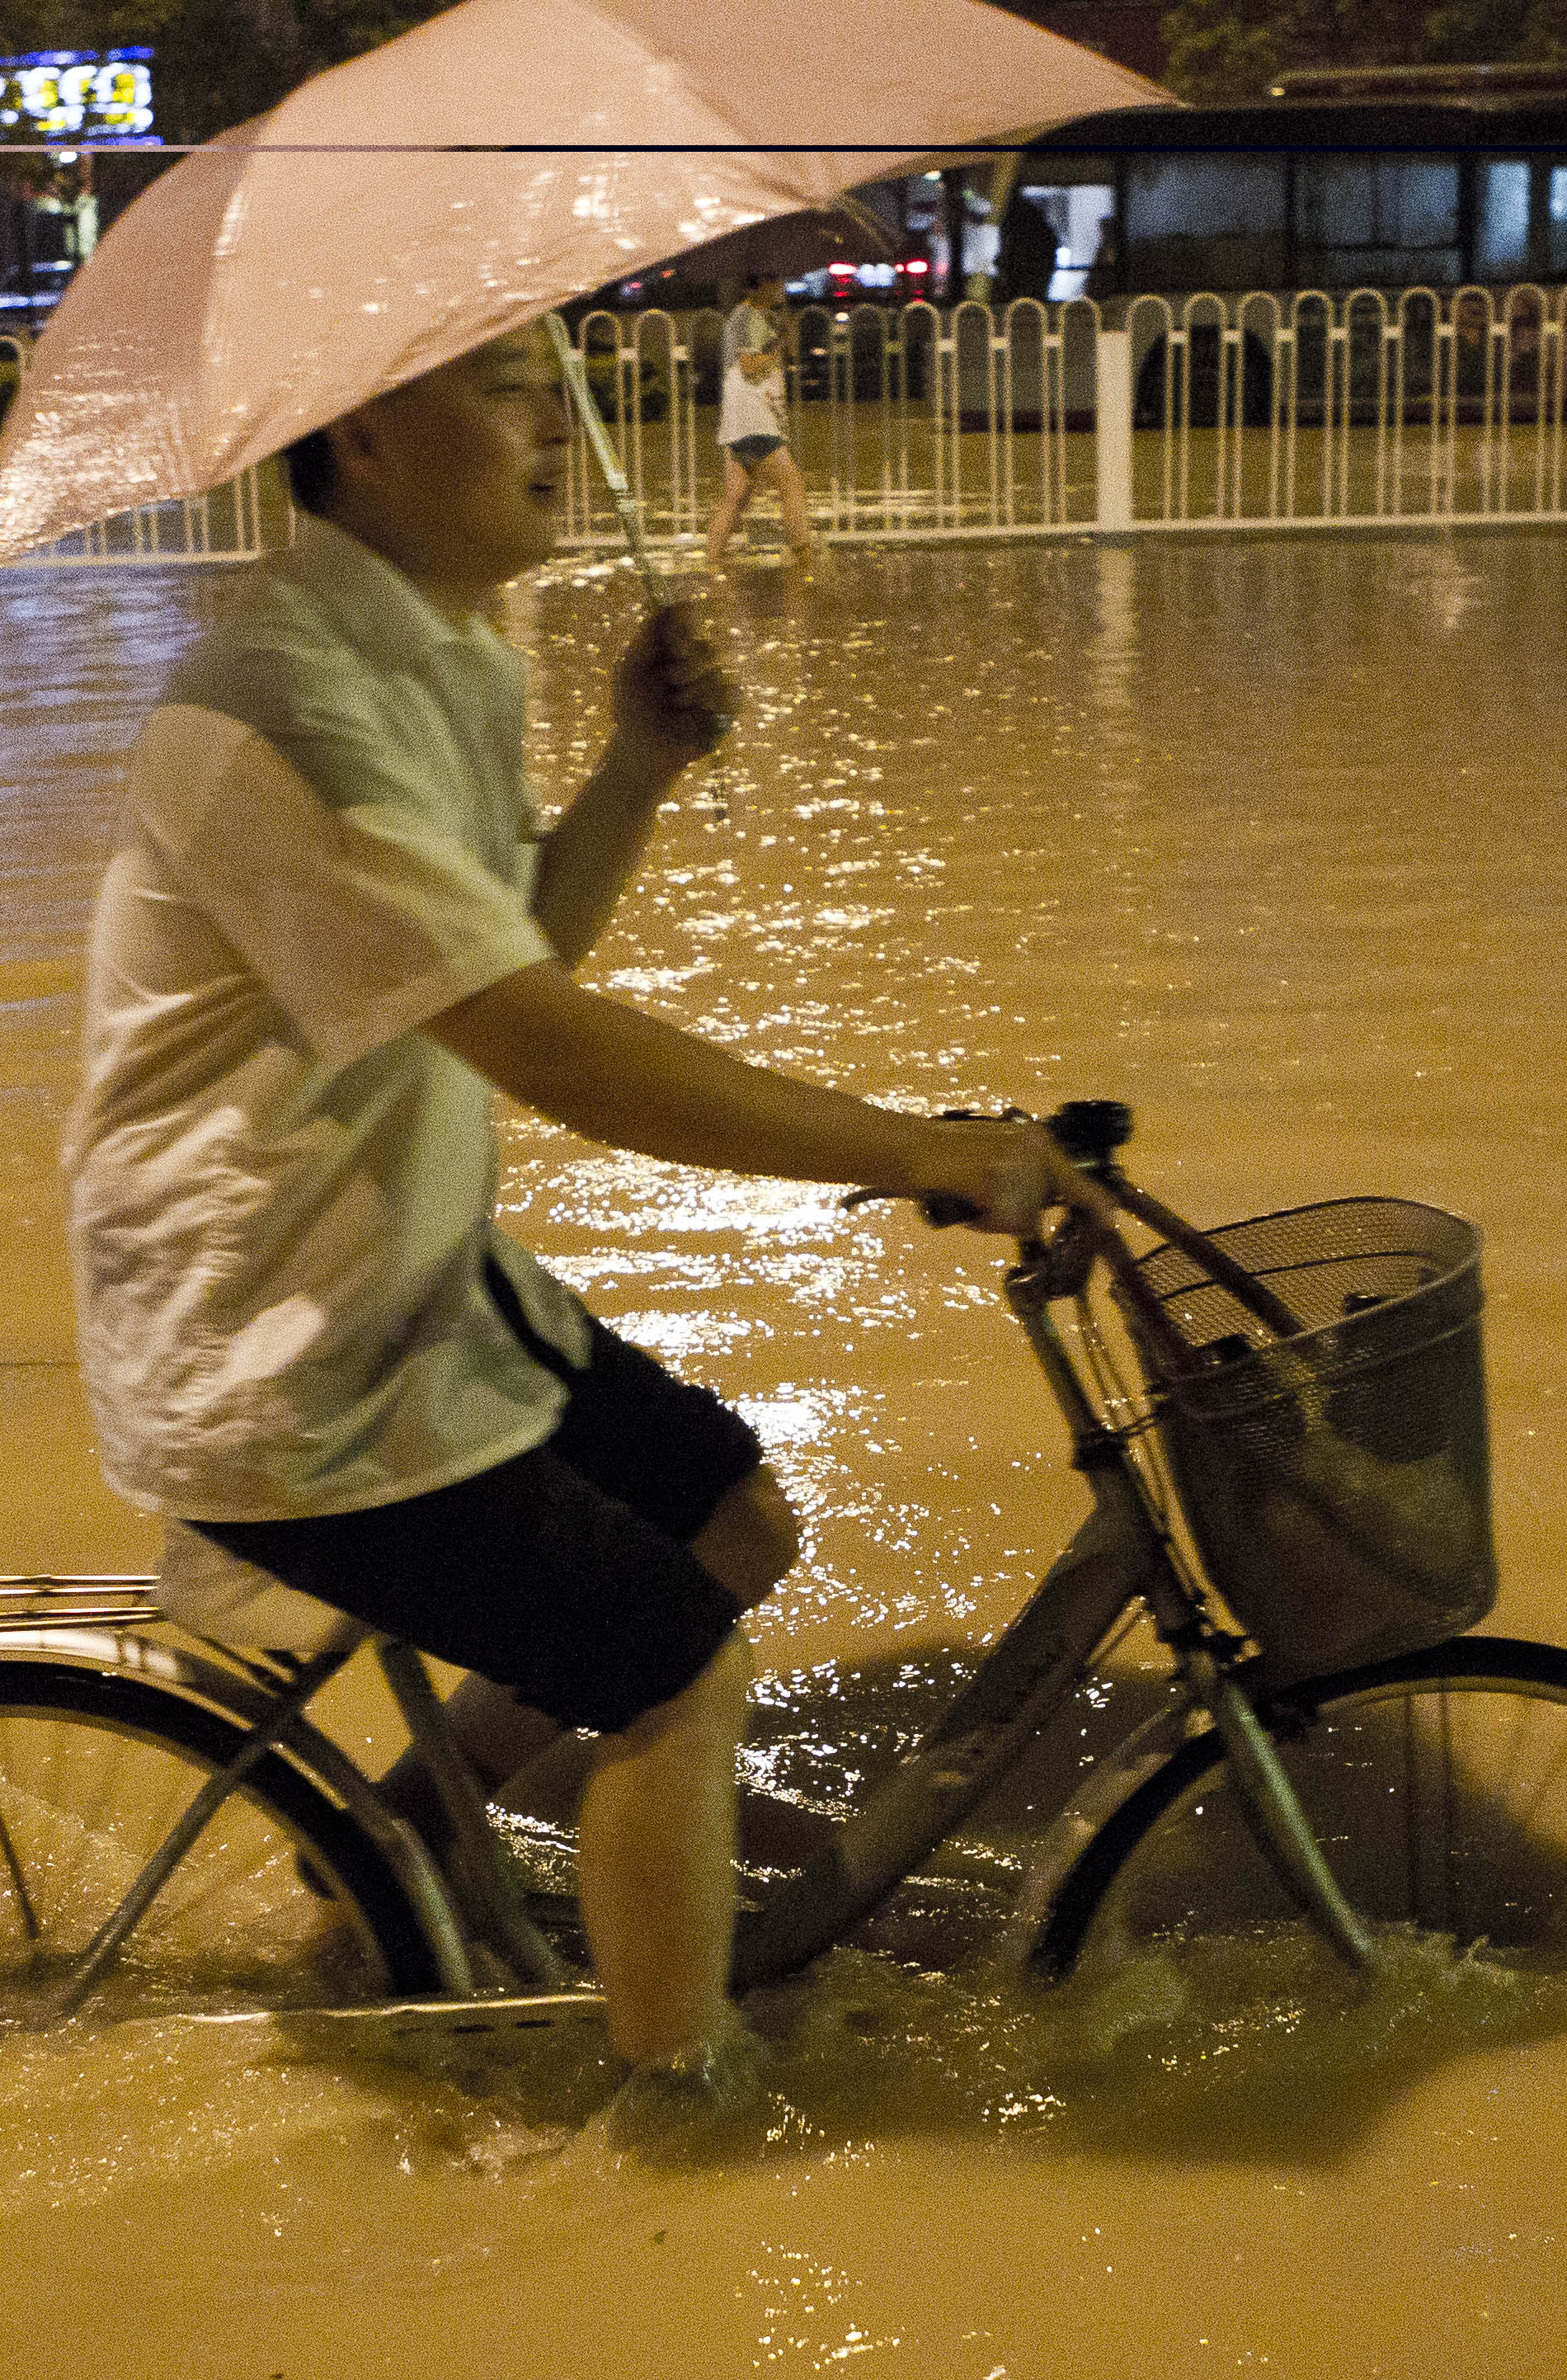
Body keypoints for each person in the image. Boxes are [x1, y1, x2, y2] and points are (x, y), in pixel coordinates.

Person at [66, 330, 1091, 2095]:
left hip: (414, 1274)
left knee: (735, 1529)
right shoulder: (282, 712)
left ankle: (384, 1848)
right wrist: (922, 1148)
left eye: (561, 385)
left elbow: (509, 944)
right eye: (510, 388)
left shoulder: (439, 655)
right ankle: (669, 2122)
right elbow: (549, 1048)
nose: (560, 423)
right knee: (681, 1683)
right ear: (370, 427)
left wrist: (633, 763)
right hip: (289, 1348)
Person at [702, 271, 816, 574]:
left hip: (739, 422)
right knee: (792, 484)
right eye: (773, 280)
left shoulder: (749, 317)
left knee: (736, 496)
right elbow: (750, 366)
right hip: (755, 420)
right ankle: (803, 555)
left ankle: (712, 560)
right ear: (759, 286)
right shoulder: (748, 317)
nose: (781, 285)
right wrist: (778, 345)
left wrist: (778, 336)